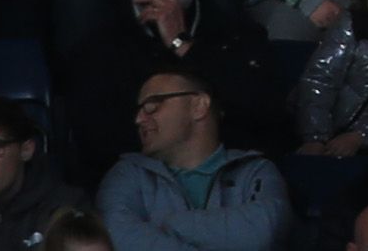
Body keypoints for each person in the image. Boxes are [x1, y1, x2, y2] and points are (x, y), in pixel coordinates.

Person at [96, 69, 291, 249]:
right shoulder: (127, 173)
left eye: (152, 106)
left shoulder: (253, 171)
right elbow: (116, 235)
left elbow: (263, 232)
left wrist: (168, 223)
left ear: (199, 105)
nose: (139, 119)